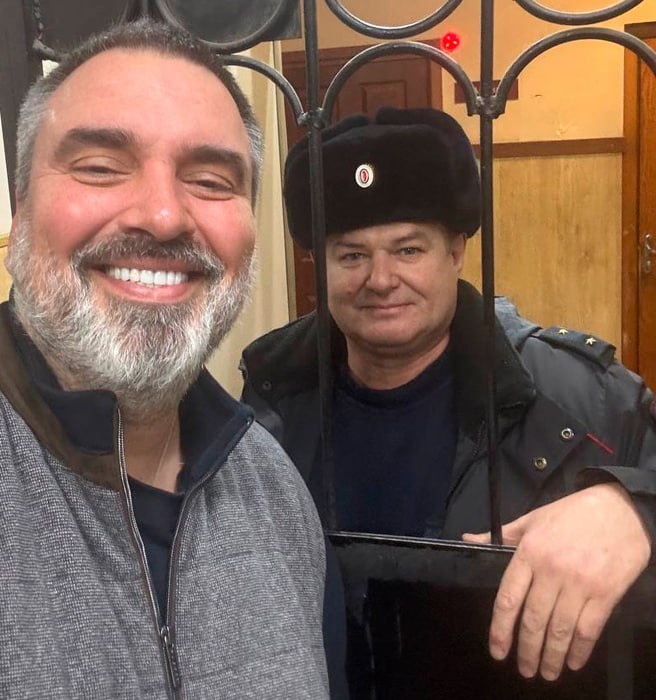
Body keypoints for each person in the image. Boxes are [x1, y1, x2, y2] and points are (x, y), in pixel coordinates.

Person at [0, 19, 343, 699]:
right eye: (100, 168)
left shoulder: (275, 491)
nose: (164, 216)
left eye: (210, 180)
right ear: (20, 213)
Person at [240, 107, 656, 691]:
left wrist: (635, 508)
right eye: (352, 255)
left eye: (408, 250)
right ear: (319, 265)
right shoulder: (269, 396)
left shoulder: (574, 394)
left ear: (456, 252)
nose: (380, 279)